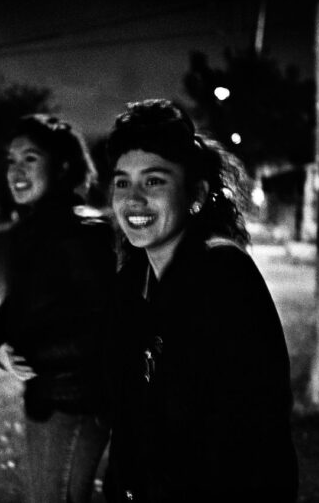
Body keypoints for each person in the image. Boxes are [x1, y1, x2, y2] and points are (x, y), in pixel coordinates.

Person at [103, 99, 297, 502]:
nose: (133, 199)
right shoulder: (133, 279)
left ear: (195, 194)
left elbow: (253, 433)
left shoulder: (223, 277)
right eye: (122, 182)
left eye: (154, 181)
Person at [0, 114, 115, 503]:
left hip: (77, 403)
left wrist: (38, 357)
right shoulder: (29, 231)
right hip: (45, 398)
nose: (16, 171)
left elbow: (105, 328)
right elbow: (13, 313)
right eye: (11, 160)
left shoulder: (84, 234)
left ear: (61, 166)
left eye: (30, 159)